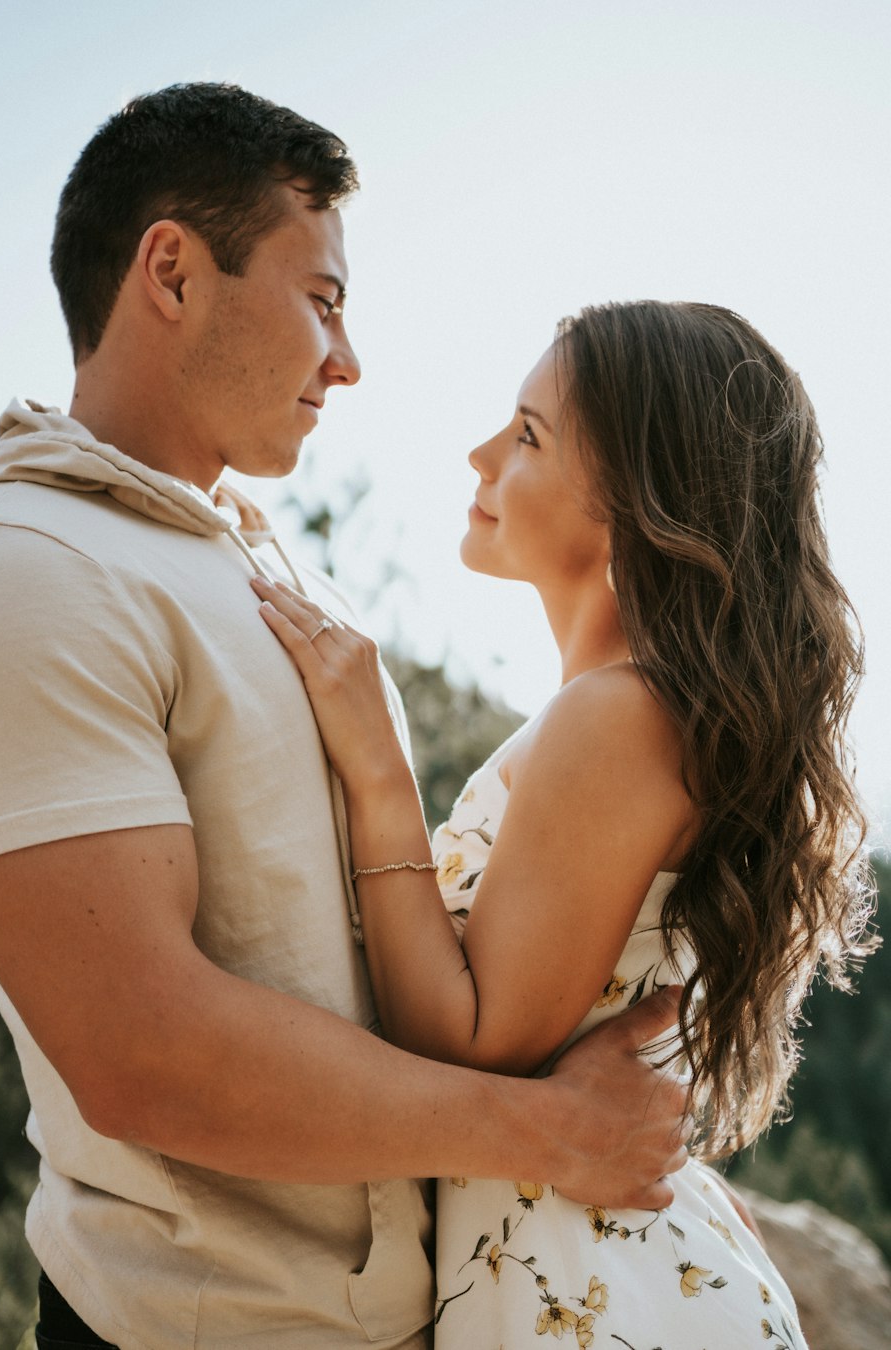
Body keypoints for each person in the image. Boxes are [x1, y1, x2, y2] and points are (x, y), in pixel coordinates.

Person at [0, 86, 691, 1350]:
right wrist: (550, 1135)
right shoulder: (19, 578)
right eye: (324, 301)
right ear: (172, 271)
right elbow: (144, 1052)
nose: (350, 358)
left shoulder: (260, 564)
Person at [256, 299, 873, 1347]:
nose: (481, 453)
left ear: (640, 503)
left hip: (597, 1305)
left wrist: (376, 768)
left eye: (528, 435)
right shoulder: (628, 713)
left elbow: (471, 1039)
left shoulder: (621, 717)